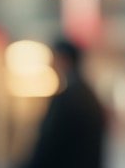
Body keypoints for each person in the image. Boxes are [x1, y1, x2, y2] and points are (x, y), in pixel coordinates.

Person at [22, 39, 106, 168]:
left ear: (63, 58)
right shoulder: (89, 95)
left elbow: (48, 147)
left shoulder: (66, 99)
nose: (51, 64)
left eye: (53, 57)